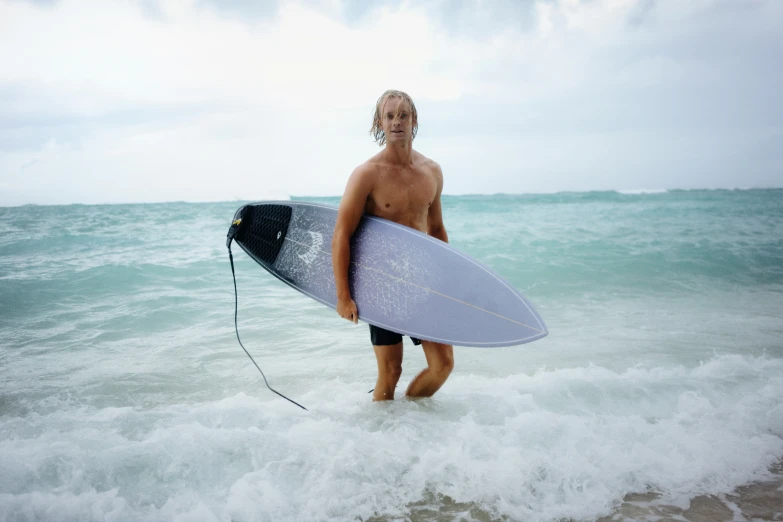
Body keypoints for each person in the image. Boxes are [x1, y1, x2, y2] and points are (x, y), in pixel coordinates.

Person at [331, 90, 454, 401]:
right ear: (379, 122)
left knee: (442, 365)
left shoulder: (432, 171)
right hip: (381, 285)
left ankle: (410, 422)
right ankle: (383, 437)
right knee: (391, 372)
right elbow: (342, 234)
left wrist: (448, 280)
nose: (397, 122)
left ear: (414, 120)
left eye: (403, 115)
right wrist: (344, 297)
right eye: (390, 116)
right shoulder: (366, 175)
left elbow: (436, 228)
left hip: (422, 282)